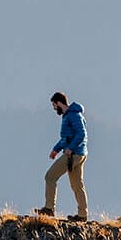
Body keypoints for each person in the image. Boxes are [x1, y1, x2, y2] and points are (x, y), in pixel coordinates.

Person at [34, 91, 89, 220]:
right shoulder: (71, 115)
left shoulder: (73, 116)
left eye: (54, 105)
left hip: (73, 155)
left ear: (59, 103)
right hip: (79, 154)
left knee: (50, 176)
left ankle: (49, 209)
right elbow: (67, 138)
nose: (54, 109)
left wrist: (70, 148)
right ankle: (82, 215)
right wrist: (56, 149)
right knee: (77, 184)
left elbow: (82, 134)